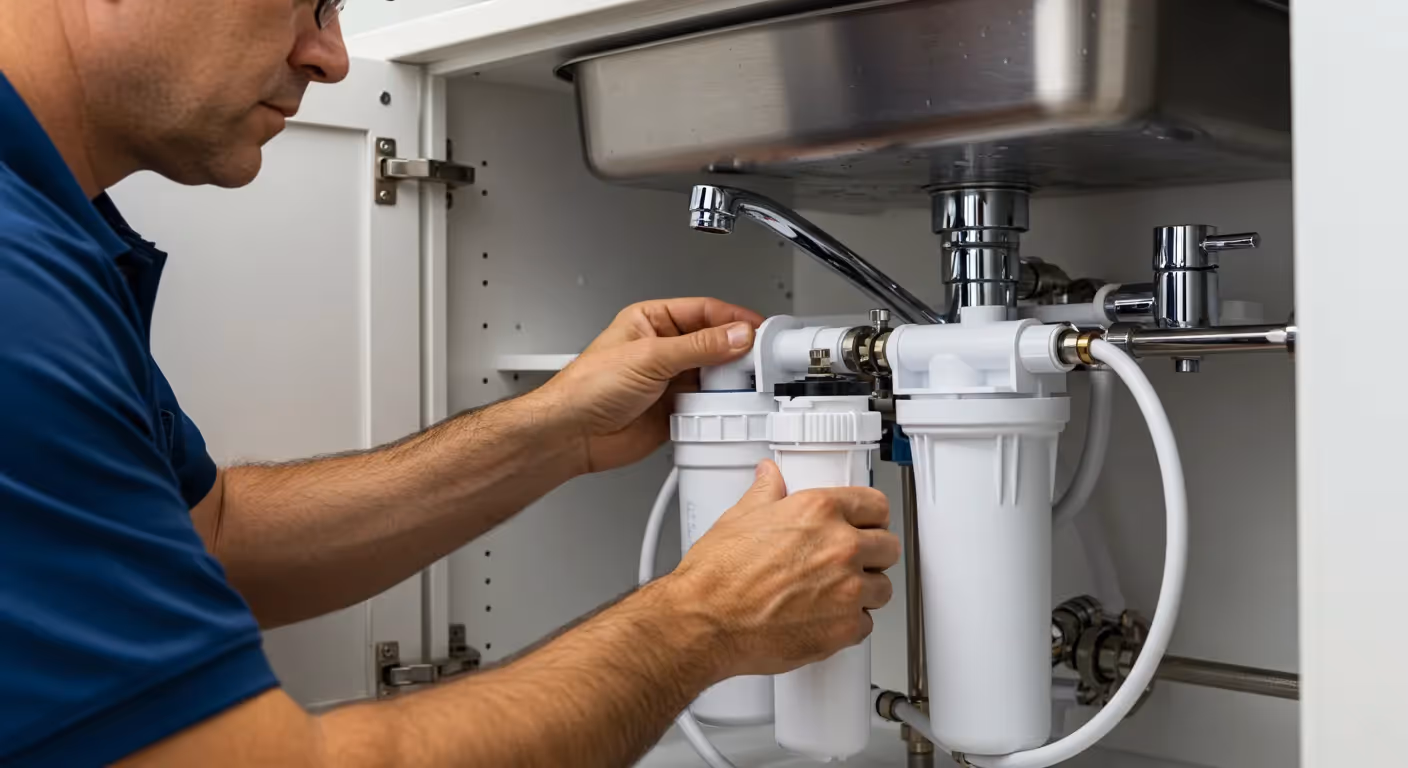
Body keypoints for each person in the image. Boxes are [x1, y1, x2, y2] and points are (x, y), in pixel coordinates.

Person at [0, 2, 902, 766]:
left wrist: (560, 431)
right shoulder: (15, 287)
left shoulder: (51, 234)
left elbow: (213, 538)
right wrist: (703, 624)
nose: (331, 54)